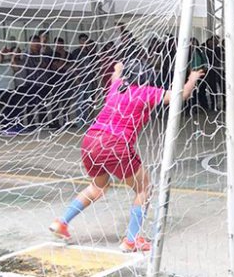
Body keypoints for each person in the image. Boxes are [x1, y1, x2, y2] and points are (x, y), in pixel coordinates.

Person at [49, 60, 204, 252]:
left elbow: (116, 77)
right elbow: (182, 95)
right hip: (115, 144)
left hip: (90, 140)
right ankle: (132, 240)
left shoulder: (117, 88)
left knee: (98, 186)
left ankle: (61, 222)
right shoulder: (147, 92)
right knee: (144, 189)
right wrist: (192, 78)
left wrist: (117, 69)